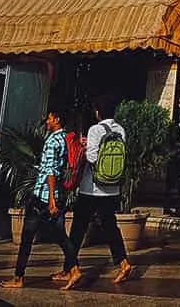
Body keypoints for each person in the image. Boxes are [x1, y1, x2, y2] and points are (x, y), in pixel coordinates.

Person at [0, 108, 83, 291]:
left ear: (57, 119)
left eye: (50, 118)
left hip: (44, 197)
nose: (47, 121)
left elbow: (51, 171)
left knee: (27, 237)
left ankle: (18, 277)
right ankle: (74, 268)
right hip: (57, 195)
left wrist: (51, 199)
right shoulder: (65, 139)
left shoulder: (53, 140)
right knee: (60, 236)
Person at [54, 96, 133, 285]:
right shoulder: (120, 129)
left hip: (92, 188)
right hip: (111, 188)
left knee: (78, 229)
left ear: (98, 112)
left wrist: (85, 146)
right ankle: (123, 262)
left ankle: (69, 269)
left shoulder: (95, 129)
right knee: (110, 226)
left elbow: (91, 158)